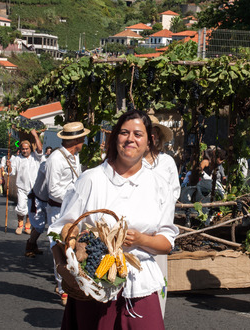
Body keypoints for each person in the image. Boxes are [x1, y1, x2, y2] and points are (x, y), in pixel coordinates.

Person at [48, 110, 178, 329]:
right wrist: (66, 265)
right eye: (124, 132)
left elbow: (167, 242)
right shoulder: (91, 180)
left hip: (140, 286)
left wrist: (140, 240)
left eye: (138, 134)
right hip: (94, 286)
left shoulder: (159, 185)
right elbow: (59, 229)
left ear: (148, 142)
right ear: (115, 138)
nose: (131, 139)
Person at [45, 121, 89, 305]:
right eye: (82, 138)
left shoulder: (74, 157)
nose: (84, 140)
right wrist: (73, 200)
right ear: (76, 140)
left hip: (72, 210)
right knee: (60, 249)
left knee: (73, 247)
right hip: (58, 210)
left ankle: (72, 286)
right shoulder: (55, 159)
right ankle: (63, 289)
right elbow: (53, 189)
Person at [143, 114, 180, 318]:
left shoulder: (166, 162)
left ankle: (156, 319)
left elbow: (174, 193)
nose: (150, 138)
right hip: (137, 228)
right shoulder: (132, 162)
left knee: (158, 278)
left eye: (153, 134)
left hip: (159, 228)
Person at [7, 130, 43, 235]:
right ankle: (20, 225)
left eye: (27, 149)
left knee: (32, 209)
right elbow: (11, 172)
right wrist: (8, 166)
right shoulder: (17, 159)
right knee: (21, 207)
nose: (25, 150)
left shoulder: (35, 157)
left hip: (34, 188)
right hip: (22, 187)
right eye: (23, 149)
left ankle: (28, 225)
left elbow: (40, 149)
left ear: (30, 149)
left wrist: (35, 135)